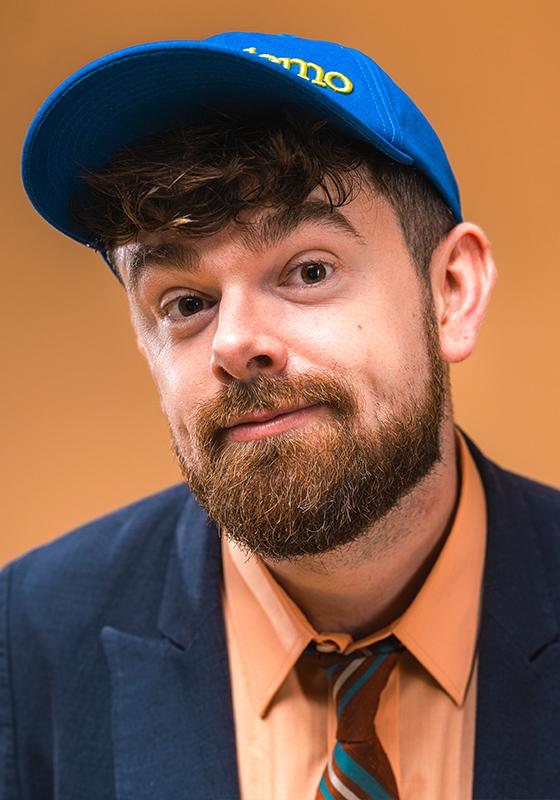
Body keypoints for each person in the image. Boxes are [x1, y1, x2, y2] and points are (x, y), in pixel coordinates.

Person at [3, 31, 559, 800]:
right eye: (186, 303)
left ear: (452, 293)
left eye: (308, 270)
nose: (234, 344)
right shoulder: (24, 643)